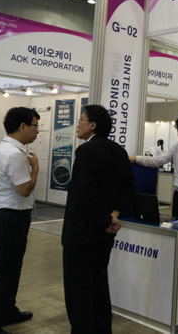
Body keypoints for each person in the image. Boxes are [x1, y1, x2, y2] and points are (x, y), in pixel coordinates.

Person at [62, 105, 136, 334]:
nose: (78, 124)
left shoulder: (86, 151)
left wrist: (105, 220)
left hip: (82, 233)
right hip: (105, 234)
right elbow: (129, 187)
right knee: (99, 285)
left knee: (79, 291)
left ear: (92, 125)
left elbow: (88, 192)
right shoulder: (119, 151)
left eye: (81, 120)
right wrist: (114, 214)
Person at [0, 107, 40, 334]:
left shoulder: (2, 149)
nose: (37, 131)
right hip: (9, 219)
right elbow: (24, 189)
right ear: (22, 126)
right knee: (6, 275)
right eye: (35, 126)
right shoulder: (13, 154)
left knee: (11, 271)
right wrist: (36, 169)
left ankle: (7, 310)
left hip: (4, 217)